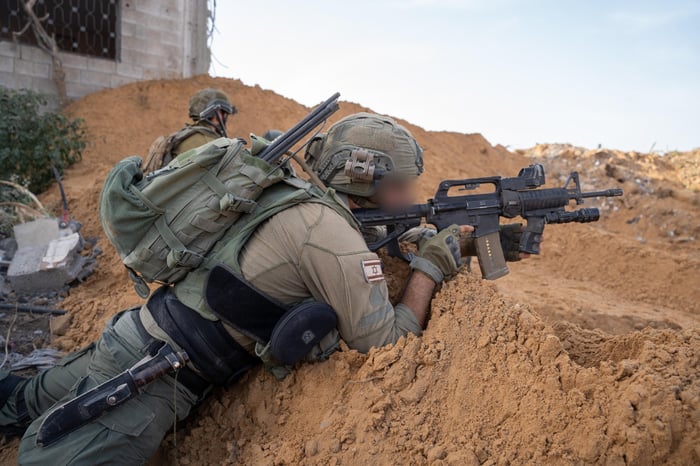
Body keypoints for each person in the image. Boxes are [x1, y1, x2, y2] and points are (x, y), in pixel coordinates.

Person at [0, 112, 526, 464]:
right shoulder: (328, 232)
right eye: (400, 187)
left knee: (17, 402)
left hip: (133, 337)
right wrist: (428, 269)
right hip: (152, 380)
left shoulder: (293, 195)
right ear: (364, 180)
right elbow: (385, 345)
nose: (409, 195)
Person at [142, 88, 237, 172]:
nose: (224, 117)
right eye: (224, 113)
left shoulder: (182, 136)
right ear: (216, 113)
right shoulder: (211, 144)